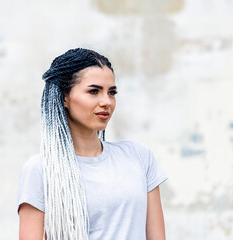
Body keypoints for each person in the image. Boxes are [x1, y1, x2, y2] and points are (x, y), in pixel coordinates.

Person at [16, 48, 168, 240]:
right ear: (64, 97)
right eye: (94, 91)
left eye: (111, 92)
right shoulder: (40, 170)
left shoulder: (139, 157)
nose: (106, 102)